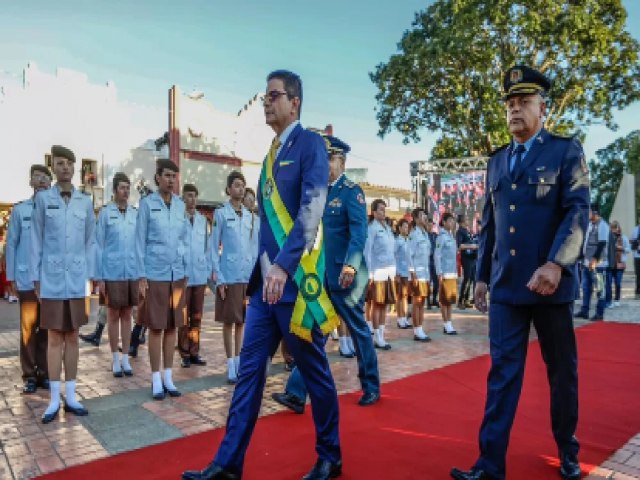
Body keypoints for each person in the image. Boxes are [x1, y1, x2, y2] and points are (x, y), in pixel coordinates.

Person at [183, 69, 342, 480]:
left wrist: (285, 267)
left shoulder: (309, 145)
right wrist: (265, 272)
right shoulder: (271, 154)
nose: (266, 102)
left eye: (274, 95)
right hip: (264, 289)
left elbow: (312, 208)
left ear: (295, 103)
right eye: (265, 95)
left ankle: (330, 455)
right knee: (249, 374)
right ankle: (228, 463)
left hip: (294, 286)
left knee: (313, 372)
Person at [450, 66, 589, 480]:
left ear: (542, 108)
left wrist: (556, 263)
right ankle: (489, 465)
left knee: (561, 373)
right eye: (510, 104)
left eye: (523, 103)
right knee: (502, 375)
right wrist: (481, 278)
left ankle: (567, 450)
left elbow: (577, 212)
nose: (514, 110)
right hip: (508, 287)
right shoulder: (496, 162)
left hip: (551, 286)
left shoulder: (565, 151)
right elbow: (491, 224)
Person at [271, 134, 381, 415]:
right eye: (324, 159)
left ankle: (371, 385)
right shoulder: (319, 192)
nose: (326, 164)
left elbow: (359, 233)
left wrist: (351, 265)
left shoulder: (351, 192)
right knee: (313, 332)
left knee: (358, 331)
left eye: (330, 159)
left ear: (342, 161)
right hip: (320, 279)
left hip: (347, 277)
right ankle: (296, 392)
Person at [30, 146, 96, 423]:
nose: (65, 168)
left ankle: (71, 396)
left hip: (77, 279)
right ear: (53, 167)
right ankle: (54, 399)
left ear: (75, 168)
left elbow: (90, 242)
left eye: (69, 163)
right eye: (60, 163)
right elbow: (36, 239)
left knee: (73, 336)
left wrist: (92, 277)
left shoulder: (85, 201)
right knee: (55, 337)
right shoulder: (44, 200)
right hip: (52, 278)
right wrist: (35, 277)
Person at [135, 159, 189, 400]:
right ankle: (156, 378)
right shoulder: (147, 204)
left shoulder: (180, 206)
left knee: (172, 327)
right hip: (154, 273)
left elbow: (184, 240)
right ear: (157, 178)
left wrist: (184, 267)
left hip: (176, 273)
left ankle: (169, 376)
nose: (171, 180)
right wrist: (141, 275)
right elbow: (139, 241)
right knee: (156, 327)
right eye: (167, 175)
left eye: (174, 176)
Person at [6, 164, 52, 393]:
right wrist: (12, 275)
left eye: (45, 177)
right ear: (31, 181)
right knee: (27, 328)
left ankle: (44, 372)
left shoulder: (54, 210)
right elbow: (11, 244)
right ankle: (29, 374)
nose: (42, 180)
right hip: (26, 278)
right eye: (37, 176)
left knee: (46, 328)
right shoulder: (21, 210)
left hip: (49, 280)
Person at [210, 172, 256, 383]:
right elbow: (213, 247)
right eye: (236, 185)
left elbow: (254, 249)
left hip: (246, 275)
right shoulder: (220, 214)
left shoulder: (250, 216)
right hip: (228, 275)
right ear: (229, 189)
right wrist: (219, 278)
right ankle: (230, 363)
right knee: (229, 321)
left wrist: (256, 278)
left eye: (243, 185)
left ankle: (238, 360)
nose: (240, 189)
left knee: (241, 321)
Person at [94, 172, 139, 377]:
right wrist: (100, 277)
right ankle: (114, 358)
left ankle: (126, 358)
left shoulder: (135, 214)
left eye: (128, 187)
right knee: (112, 315)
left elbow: (139, 246)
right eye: (122, 187)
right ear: (114, 191)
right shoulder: (105, 213)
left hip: (130, 271)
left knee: (127, 315)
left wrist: (141, 275)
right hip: (110, 271)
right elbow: (98, 245)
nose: (125, 191)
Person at [178, 184, 210, 369]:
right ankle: (184, 353)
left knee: (197, 316)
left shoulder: (202, 220)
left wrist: (206, 273)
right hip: (183, 274)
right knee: (183, 317)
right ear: (183, 198)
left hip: (198, 274)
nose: (192, 199)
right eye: (189, 196)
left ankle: (194, 351)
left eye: (195, 196)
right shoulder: (178, 219)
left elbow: (206, 247)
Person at [364, 199, 396, 349]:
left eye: (384, 209)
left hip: (389, 272)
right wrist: (370, 274)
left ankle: (382, 334)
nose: (384, 212)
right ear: (374, 212)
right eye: (381, 209)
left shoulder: (388, 228)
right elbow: (368, 252)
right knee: (377, 304)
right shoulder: (372, 229)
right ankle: (376, 336)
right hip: (377, 272)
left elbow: (392, 251)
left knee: (385, 305)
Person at [575, 203, 609, 322]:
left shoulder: (603, 225)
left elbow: (601, 244)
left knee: (600, 289)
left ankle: (599, 313)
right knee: (586, 288)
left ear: (595, 213)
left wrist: (594, 260)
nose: (588, 214)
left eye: (589, 212)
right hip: (586, 262)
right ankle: (584, 311)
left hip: (598, 264)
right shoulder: (590, 225)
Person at [407, 208, 432, 341]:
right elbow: (409, 255)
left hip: (425, 273)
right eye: (422, 215)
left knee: (422, 302)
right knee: (417, 302)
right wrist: (413, 273)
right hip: (417, 273)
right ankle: (416, 330)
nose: (425, 217)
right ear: (416, 219)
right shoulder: (414, 234)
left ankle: (420, 327)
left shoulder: (425, 234)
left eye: (425, 215)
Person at [435, 212, 459, 335]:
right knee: (444, 301)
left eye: (453, 221)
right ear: (443, 222)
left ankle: (449, 322)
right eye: (449, 221)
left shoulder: (451, 236)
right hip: (444, 273)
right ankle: (446, 323)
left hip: (452, 272)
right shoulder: (441, 237)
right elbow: (437, 255)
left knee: (450, 300)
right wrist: (439, 272)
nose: (452, 223)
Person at [456, 215, 478, 309]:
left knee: (472, 279)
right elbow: (460, 246)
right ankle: (460, 301)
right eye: (466, 219)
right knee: (467, 279)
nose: (468, 221)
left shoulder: (467, 231)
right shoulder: (460, 232)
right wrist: (471, 246)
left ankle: (466, 300)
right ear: (461, 222)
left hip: (472, 258)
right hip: (466, 258)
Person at [609, 221, 630, 307]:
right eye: (613, 228)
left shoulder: (623, 238)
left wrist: (621, 248)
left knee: (617, 282)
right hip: (610, 263)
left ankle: (617, 299)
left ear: (618, 228)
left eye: (615, 228)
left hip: (620, 264)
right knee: (608, 283)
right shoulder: (609, 238)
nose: (614, 230)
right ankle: (609, 300)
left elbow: (628, 249)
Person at [394, 218, 411, 328]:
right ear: (399, 228)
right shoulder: (398, 241)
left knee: (405, 296)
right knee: (400, 296)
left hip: (407, 272)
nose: (406, 229)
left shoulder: (408, 240)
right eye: (404, 227)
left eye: (407, 227)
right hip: (400, 272)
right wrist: (396, 272)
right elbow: (393, 256)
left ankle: (404, 318)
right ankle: (400, 318)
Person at [426, 217, 439, 309]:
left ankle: (434, 299)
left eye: (432, 225)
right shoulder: (424, 235)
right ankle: (428, 302)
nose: (430, 227)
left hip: (435, 261)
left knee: (436, 282)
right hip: (427, 261)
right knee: (428, 282)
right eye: (429, 225)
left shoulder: (435, 235)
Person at [631, 222, 640, 298]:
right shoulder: (635, 229)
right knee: (638, 274)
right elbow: (631, 240)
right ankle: (638, 291)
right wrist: (635, 242)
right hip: (637, 255)